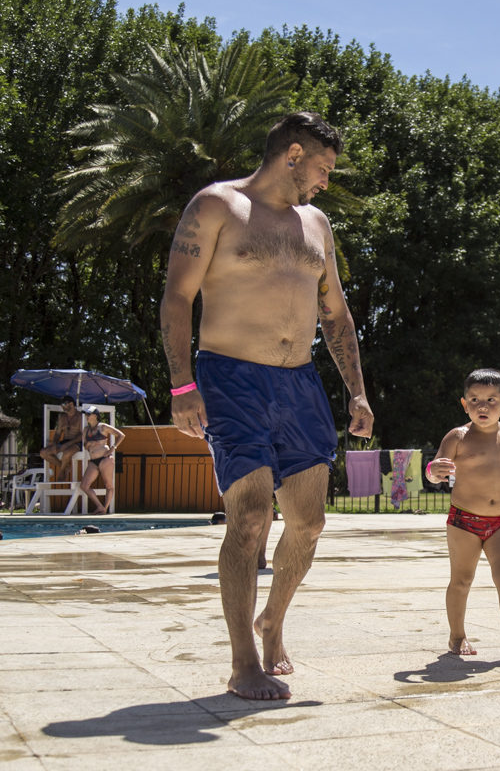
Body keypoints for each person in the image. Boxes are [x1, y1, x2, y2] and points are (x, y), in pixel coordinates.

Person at [160, 112, 374, 700]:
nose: (326, 181)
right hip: (231, 379)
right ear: (293, 154)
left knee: (308, 522)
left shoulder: (316, 225)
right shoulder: (217, 206)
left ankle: (273, 619)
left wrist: (356, 390)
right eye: (323, 168)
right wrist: (181, 385)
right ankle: (243, 663)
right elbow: (177, 296)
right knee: (251, 517)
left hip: (299, 384)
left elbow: (335, 314)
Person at [429, 368, 500, 661]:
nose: (483, 406)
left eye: (491, 400)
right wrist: (433, 471)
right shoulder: (458, 436)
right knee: (462, 580)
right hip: (464, 521)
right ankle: (457, 636)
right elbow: (436, 467)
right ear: (464, 404)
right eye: (475, 399)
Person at [78, 406, 125, 515]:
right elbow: (85, 446)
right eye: (86, 414)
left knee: (108, 485)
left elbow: (121, 435)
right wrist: (89, 443)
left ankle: (105, 507)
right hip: (93, 461)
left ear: (95, 416)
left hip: (105, 459)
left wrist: (113, 448)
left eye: (88, 414)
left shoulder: (103, 427)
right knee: (84, 486)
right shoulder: (86, 429)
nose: (86, 416)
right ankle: (100, 506)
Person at [39, 397, 83, 481]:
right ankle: (65, 467)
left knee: (66, 453)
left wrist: (68, 444)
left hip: (76, 443)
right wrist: (54, 444)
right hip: (64, 442)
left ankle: (61, 472)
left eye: (64, 404)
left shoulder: (80, 416)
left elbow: (82, 434)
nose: (62, 406)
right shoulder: (62, 417)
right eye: (61, 404)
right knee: (43, 453)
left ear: (71, 404)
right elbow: (58, 433)